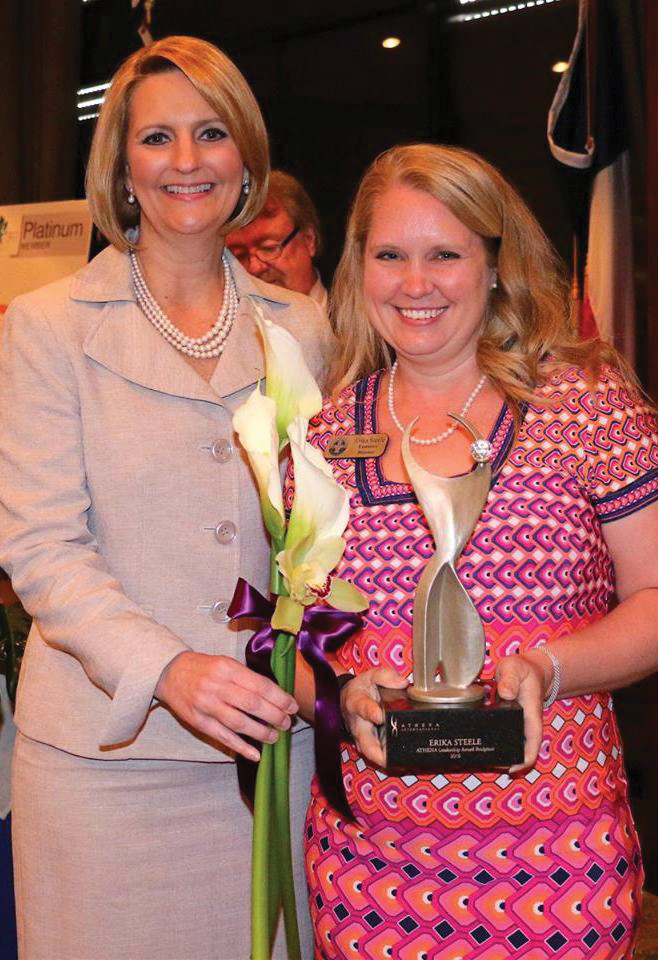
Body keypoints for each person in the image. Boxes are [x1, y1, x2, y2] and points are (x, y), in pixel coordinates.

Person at [0, 36, 333, 960]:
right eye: (157, 138)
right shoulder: (45, 327)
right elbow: (41, 550)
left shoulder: (302, 324)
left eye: (212, 133)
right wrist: (170, 669)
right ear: (120, 166)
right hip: (106, 765)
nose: (187, 162)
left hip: (269, 762)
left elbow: (326, 536)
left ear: (247, 160)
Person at [296, 143, 658, 959]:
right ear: (359, 267)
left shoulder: (587, 404)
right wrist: (338, 694)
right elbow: (287, 638)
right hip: (370, 874)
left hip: (557, 862)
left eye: (445, 255)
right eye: (390, 255)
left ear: (494, 264)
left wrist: (550, 668)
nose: (414, 283)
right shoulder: (319, 434)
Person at [227, 170, 327, 308]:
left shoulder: (353, 321)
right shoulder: (230, 327)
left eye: (268, 249)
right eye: (240, 256)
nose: (255, 268)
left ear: (309, 239)